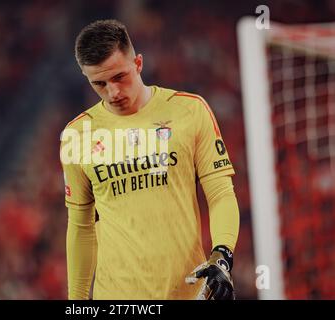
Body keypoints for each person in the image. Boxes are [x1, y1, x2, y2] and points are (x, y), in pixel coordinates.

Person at [60, 19, 240, 300]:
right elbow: (80, 225)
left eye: (120, 76)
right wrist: (77, 300)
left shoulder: (189, 110)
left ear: (139, 63)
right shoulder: (77, 134)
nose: (113, 92)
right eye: (99, 83)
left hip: (187, 292)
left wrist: (222, 254)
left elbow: (220, 193)